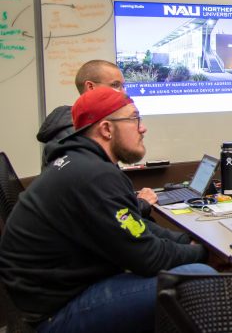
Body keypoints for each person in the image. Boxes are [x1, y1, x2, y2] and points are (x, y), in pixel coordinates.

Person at [0, 87, 214, 332]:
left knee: (184, 267)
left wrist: (185, 241)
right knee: (198, 276)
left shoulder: (82, 164)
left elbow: (136, 226)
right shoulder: (94, 176)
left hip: (52, 297)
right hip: (56, 315)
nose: (142, 127)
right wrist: (202, 253)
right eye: (134, 119)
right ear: (106, 129)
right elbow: (148, 258)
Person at [36, 59, 158, 213]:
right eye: (115, 85)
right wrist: (141, 203)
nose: (123, 92)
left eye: (123, 86)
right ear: (90, 87)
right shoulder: (75, 138)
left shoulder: (76, 131)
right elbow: (107, 208)